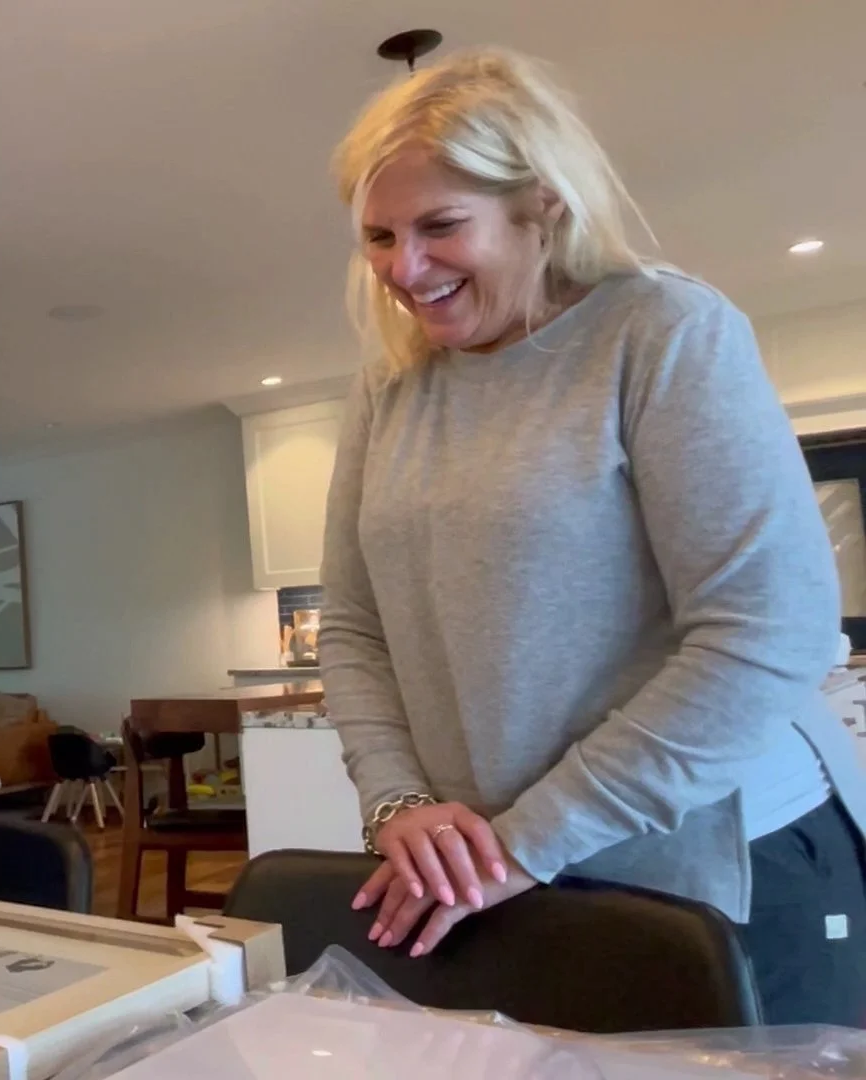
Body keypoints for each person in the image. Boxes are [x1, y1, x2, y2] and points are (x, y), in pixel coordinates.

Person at [318, 45, 866, 1025]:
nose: (404, 268)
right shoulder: (389, 388)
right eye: (378, 235)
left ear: (542, 204)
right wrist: (397, 804)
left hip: (724, 871)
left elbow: (766, 633)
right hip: (506, 874)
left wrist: (530, 840)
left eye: (441, 225)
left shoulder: (662, 332)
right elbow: (355, 629)